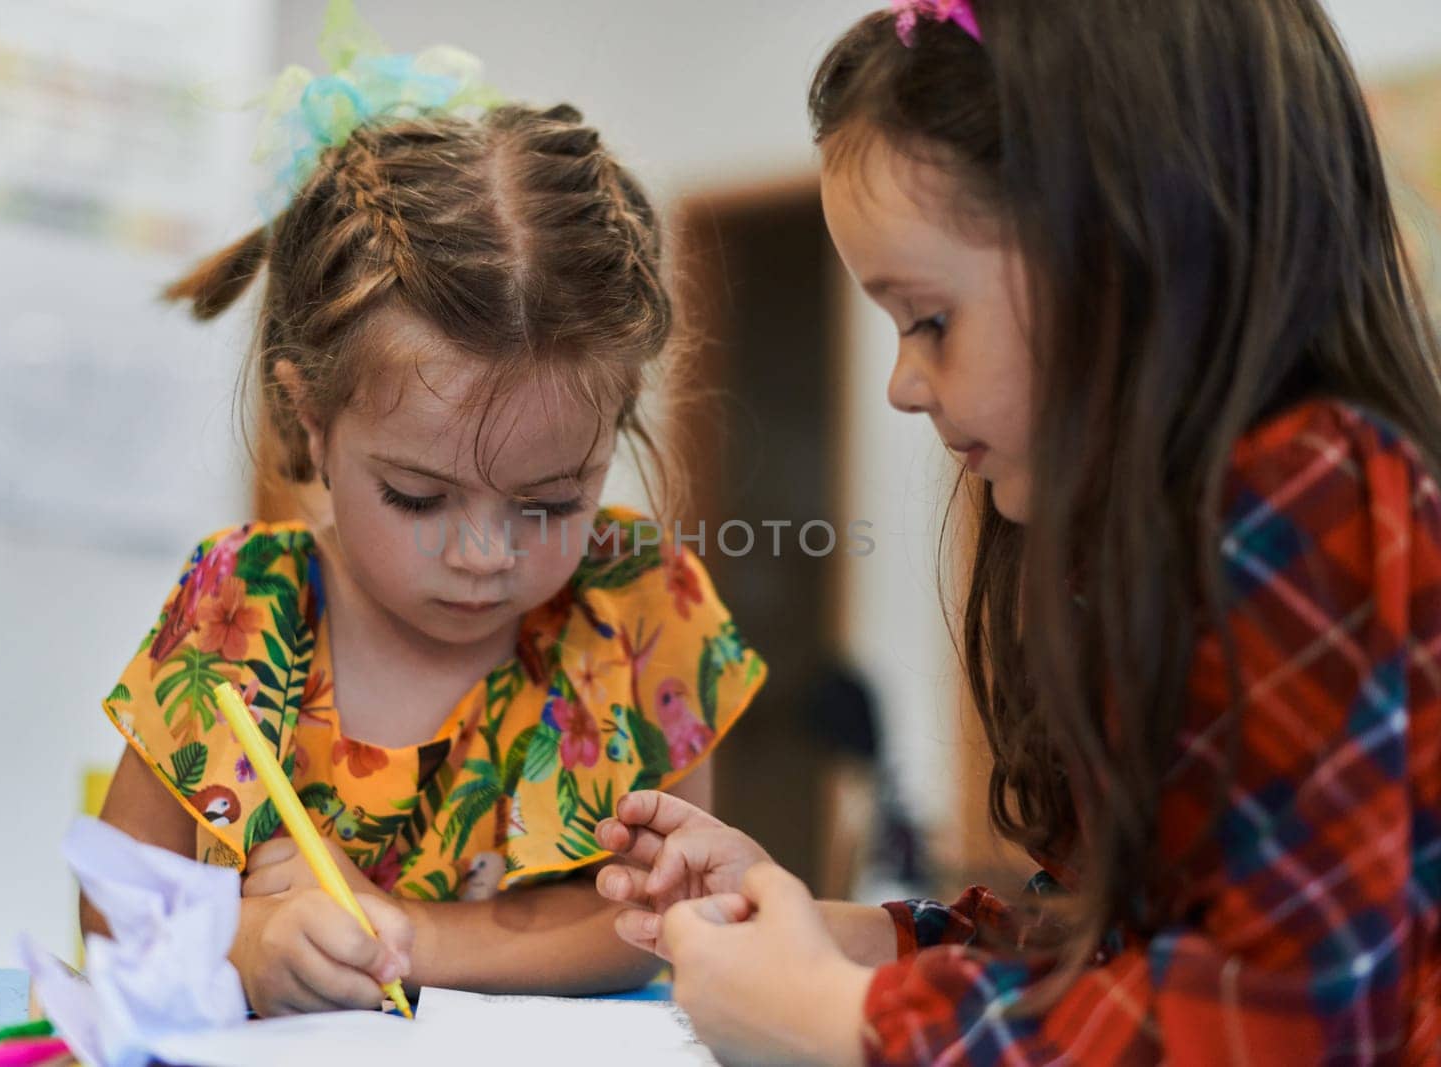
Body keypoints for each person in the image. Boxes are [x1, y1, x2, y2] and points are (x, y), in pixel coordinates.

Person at [596, 1, 1441, 1061]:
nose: (904, 383)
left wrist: (829, 1016)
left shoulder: (1306, 497)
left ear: (1133, 255)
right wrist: (838, 940)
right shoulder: (1146, 545)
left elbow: (1281, 1019)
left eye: (931, 321)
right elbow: (1108, 949)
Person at [85, 23, 764, 1017]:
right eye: (417, 496)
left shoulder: (640, 608)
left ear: (612, 430)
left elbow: (659, 913)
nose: (485, 554)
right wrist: (247, 941)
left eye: (549, 501)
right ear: (311, 419)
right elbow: (111, 915)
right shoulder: (238, 607)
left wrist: (414, 933)